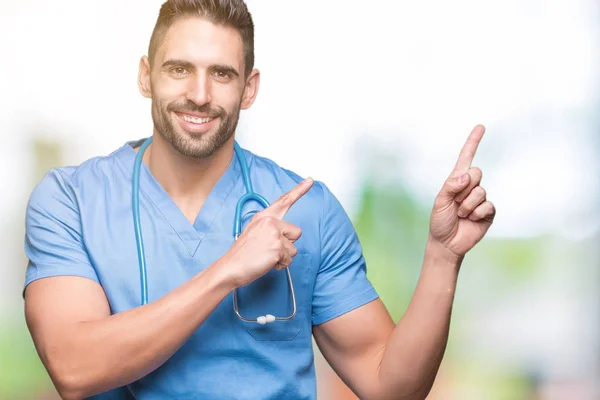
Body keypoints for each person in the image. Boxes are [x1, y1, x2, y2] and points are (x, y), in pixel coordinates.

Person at [22, 1, 496, 399]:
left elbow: (390, 385)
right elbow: (73, 368)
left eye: (222, 74)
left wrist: (443, 256)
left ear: (249, 89)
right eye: (179, 69)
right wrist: (229, 269)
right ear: (146, 77)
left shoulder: (308, 209)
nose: (199, 94)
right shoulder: (71, 201)